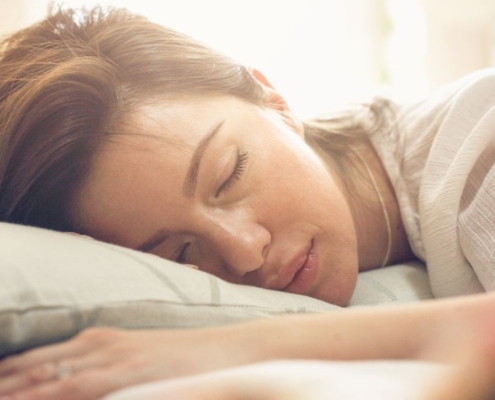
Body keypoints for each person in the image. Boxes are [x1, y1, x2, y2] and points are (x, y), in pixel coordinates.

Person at [0, 4, 494, 400]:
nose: (245, 250)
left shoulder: (478, 143)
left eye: (229, 175)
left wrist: (231, 346)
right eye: (181, 255)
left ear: (273, 99)